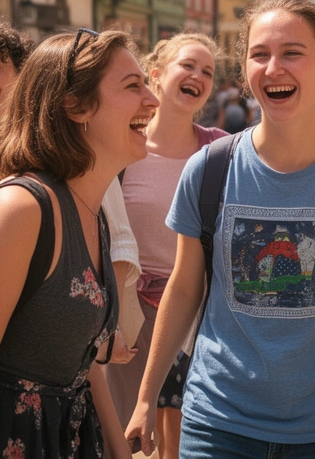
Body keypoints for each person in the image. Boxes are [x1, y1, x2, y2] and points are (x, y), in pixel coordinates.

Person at [125, 0, 315, 459]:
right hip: (217, 424)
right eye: (260, 54)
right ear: (245, 72)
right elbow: (183, 288)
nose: (274, 67)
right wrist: (145, 396)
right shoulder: (210, 168)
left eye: (292, 53)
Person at [0, 28, 155, 459]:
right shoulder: (19, 209)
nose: (153, 99)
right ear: (75, 106)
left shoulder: (87, 210)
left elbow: (84, 361)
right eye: (134, 86)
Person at [108, 33, 226, 459]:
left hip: (194, 312)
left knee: (179, 442)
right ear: (156, 75)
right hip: (128, 312)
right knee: (124, 434)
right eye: (188, 65)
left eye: (207, 72)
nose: (198, 76)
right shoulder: (123, 145)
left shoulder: (220, 150)